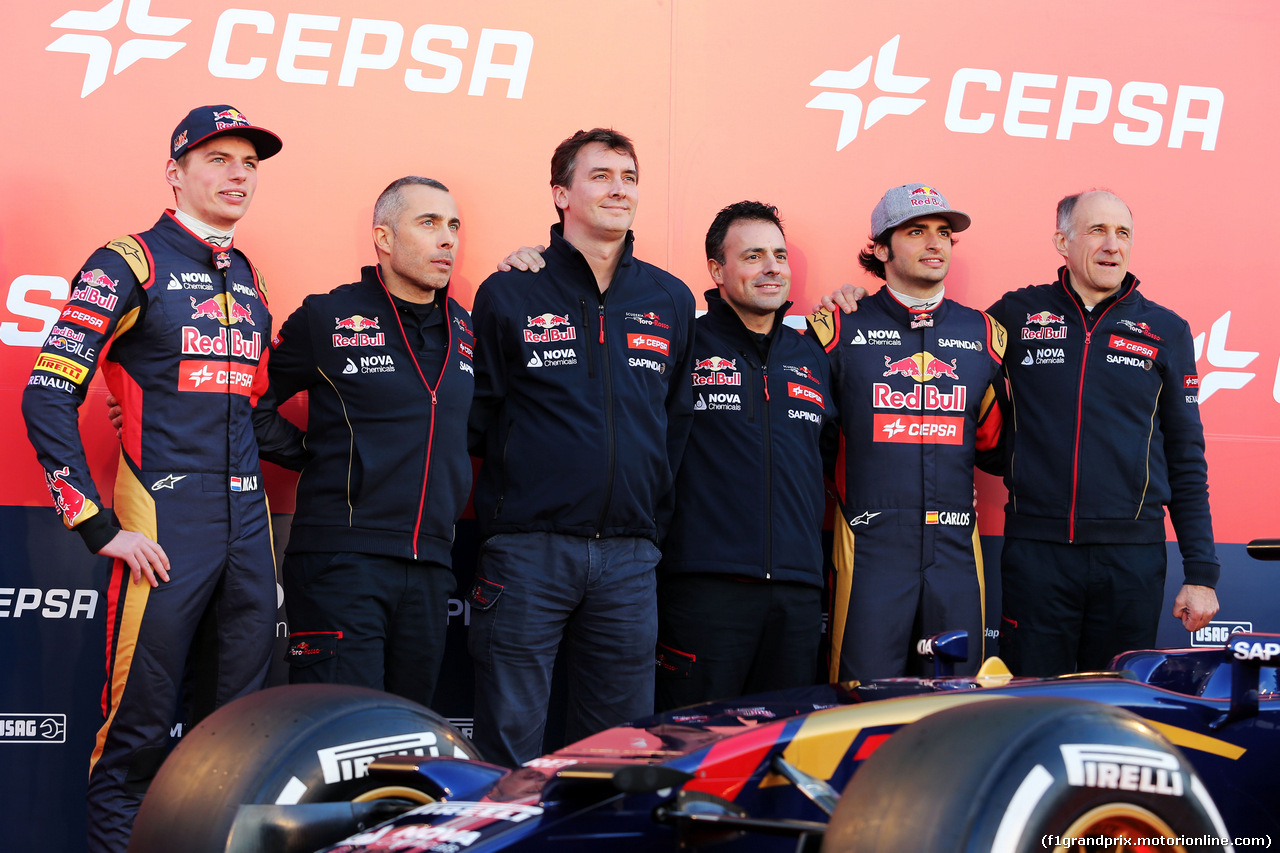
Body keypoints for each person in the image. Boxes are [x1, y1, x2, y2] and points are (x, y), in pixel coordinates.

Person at [21, 104, 283, 853]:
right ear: (175, 173)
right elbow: (47, 389)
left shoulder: (254, 276)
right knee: (134, 741)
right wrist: (95, 522)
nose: (237, 175)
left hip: (248, 532)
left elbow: (251, 414)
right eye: (218, 160)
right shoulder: (126, 261)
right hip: (164, 530)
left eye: (249, 164)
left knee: (238, 742)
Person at [467, 128, 696, 767]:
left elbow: (674, 423)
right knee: (509, 749)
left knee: (617, 756)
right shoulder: (510, 290)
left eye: (628, 176)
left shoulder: (670, 298)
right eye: (600, 176)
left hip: (629, 559)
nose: (618, 188)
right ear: (561, 192)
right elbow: (476, 417)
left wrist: (651, 525)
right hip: (527, 551)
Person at [252, 177, 475, 705]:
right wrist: (313, 454)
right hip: (341, 560)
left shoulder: (466, 327)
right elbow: (247, 401)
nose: (447, 239)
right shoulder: (327, 315)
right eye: (428, 223)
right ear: (383, 236)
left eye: (453, 226)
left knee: (404, 737)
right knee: (340, 731)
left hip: (431, 566)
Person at [985, 190, 1219, 675]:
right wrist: (863, 304)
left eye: (1123, 233)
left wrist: (1201, 573)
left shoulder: (1166, 330)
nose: (1113, 245)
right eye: (1097, 231)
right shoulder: (1014, 314)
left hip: (1130, 563)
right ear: (1061, 241)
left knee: (1116, 707)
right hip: (1037, 555)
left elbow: (1185, 456)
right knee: (1032, 702)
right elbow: (941, 349)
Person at [807, 183, 1005, 681]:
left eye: (944, 233)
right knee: (857, 697)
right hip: (871, 545)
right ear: (879, 248)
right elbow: (810, 443)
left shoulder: (986, 335)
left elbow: (997, 446)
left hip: (958, 547)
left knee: (958, 700)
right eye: (916, 232)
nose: (935, 243)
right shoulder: (837, 329)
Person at [654, 201, 835, 710]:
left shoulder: (812, 355)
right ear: (717, 269)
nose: (772, 267)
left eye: (779, 254)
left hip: (798, 594)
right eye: (753, 255)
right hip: (705, 589)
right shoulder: (683, 344)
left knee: (782, 752)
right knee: (692, 746)